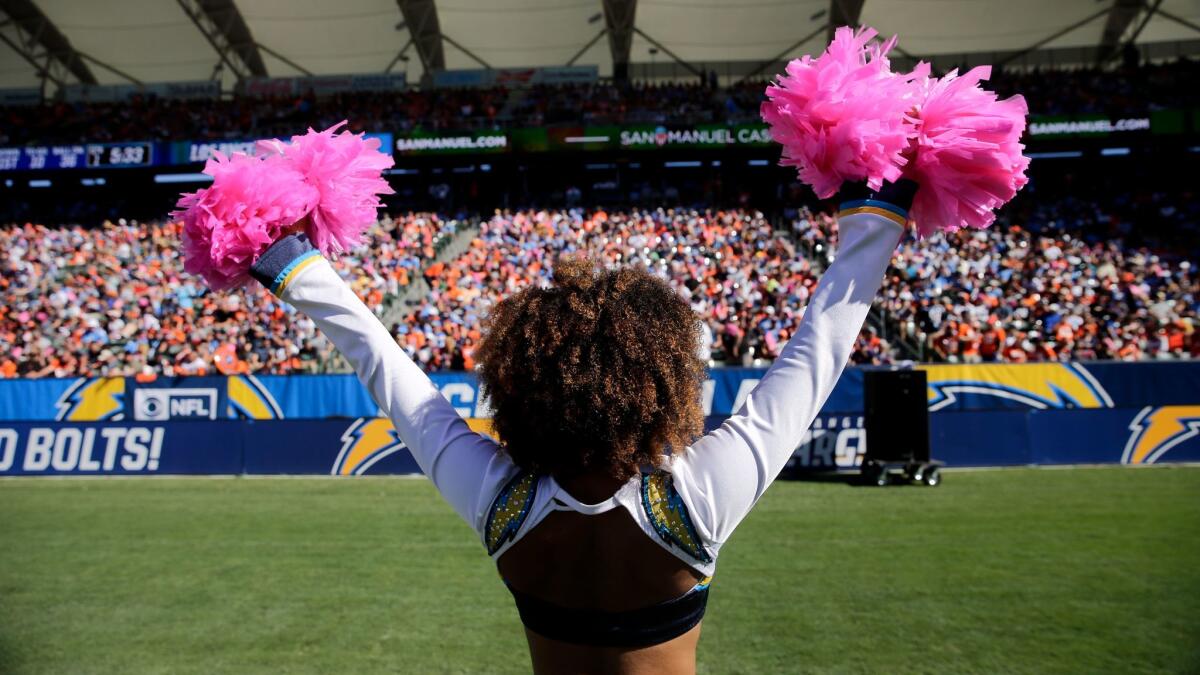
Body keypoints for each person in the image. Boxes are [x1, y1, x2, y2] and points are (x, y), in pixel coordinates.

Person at [244, 181, 914, 674]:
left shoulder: (501, 502)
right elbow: (820, 344)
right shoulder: (699, 496)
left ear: (519, 385)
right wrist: (876, 203)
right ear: (663, 382)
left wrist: (289, 263)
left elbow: (382, 362)